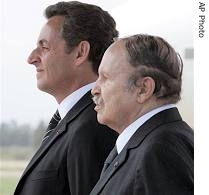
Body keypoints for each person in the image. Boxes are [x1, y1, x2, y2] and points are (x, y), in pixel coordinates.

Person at [14, 1, 118, 195]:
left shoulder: (93, 127)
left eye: (44, 47)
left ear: (80, 53)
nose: (31, 58)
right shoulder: (75, 121)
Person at [90, 34, 194, 195]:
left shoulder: (160, 151)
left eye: (105, 78)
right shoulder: (152, 144)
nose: (94, 89)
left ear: (144, 89)